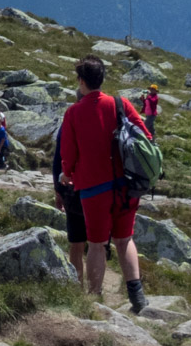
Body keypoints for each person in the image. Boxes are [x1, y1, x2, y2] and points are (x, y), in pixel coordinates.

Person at [58, 55, 152, 314]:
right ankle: (137, 298)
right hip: (126, 187)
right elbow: (146, 136)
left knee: (97, 243)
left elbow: (68, 154)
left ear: (81, 81)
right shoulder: (120, 104)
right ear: (101, 79)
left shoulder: (74, 112)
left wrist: (67, 174)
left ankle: (95, 299)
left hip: (93, 189)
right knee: (124, 239)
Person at [52, 137, 93, 295]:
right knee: (97, 244)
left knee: (76, 242)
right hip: (100, 189)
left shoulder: (69, 122)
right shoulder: (107, 116)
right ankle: (95, 291)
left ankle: (77, 290)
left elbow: (58, 159)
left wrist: (58, 190)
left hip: (72, 189)